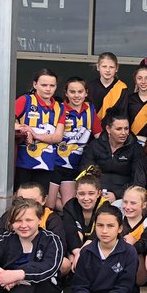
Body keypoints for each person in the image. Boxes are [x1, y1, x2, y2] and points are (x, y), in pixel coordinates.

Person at [47, 208, 143, 293]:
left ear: (119, 228)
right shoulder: (86, 251)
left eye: (110, 226)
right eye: (100, 225)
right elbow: (79, 284)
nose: (104, 231)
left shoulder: (129, 251)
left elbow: (125, 286)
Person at [14, 68, 65, 208]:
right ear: (35, 84)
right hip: (23, 162)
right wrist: (23, 129)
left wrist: (35, 134)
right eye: (44, 85)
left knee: (40, 203)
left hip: (45, 163)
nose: (48, 89)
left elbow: (57, 137)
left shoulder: (60, 107)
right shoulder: (25, 100)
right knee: (20, 201)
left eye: (52, 85)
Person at [82, 112, 143, 201]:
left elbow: (137, 180)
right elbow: (85, 172)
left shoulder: (136, 149)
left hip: (124, 197)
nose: (124, 133)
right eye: (119, 129)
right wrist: (95, 192)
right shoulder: (95, 145)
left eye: (126, 129)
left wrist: (117, 195)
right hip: (95, 195)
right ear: (108, 129)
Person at [54, 77, 95, 206]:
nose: (76, 95)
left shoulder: (90, 110)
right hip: (54, 163)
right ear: (66, 93)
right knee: (48, 203)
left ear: (86, 93)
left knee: (69, 206)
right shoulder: (58, 109)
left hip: (75, 166)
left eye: (80, 91)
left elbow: (99, 135)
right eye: (72, 92)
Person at [61, 174, 113, 261]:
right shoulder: (70, 206)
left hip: (98, 246)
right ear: (76, 194)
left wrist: (81, 253)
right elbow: (69, 231)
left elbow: (98, 233)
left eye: (91, 193)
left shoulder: (105, 206)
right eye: (81, 194)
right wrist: (77, 252)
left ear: (98, 194)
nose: (86, 198)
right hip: (74, 248)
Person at [118, 184, 147, 285]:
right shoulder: (118, 221)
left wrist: (132, 242)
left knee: (135, 253)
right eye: (125, 202)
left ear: (143, 205)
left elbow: (144, 245)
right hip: (117, 265)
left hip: (140, 270)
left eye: (133, 203)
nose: (128, 207)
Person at [87, 52, 129, 131]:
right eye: (104, 66)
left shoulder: (122, 87)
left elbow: (122, 113)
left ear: (116, 68)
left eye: (111, 67)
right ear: (98, 67)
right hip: (92, 130)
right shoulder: (90, 87)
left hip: (113, 131)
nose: (107, 70)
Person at [126, 64, 147, 140]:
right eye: (139, 78)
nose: (143, 82)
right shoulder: (129, 99)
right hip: (131, 141)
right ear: (135, 80)